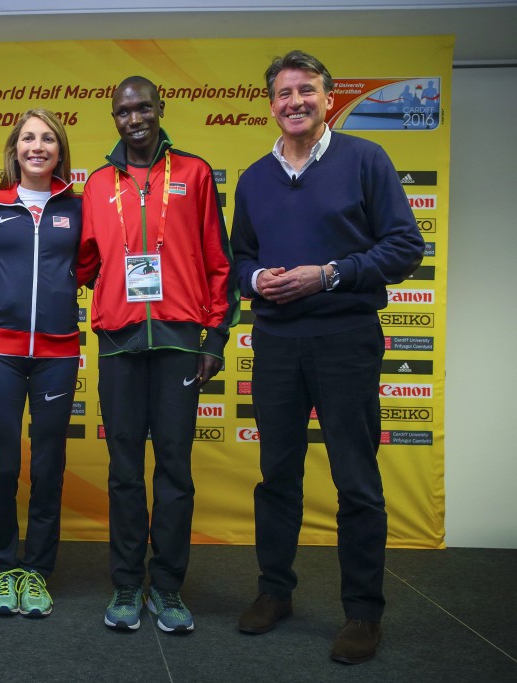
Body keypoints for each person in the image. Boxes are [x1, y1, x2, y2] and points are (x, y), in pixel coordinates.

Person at [230, 50, 424, 665]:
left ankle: (363, 614)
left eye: (306, 91)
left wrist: (330, 275)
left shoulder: (366, 159)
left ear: (327, 97)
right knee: (277, 476)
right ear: (271, 104)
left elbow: (405, 247)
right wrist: (256, 280)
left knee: (356, 482)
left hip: (345, 341)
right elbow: (238, 258)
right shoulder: (254, 177)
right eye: (284, 94)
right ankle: (274, 591)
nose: (295, 103)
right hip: (278, 345)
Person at [76, 77, 238, 633]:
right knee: (123, 472)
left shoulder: (193, 173)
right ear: (114, 118)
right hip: (120, 343)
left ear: (160, 109)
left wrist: (214, 338)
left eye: (143, 107)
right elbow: (83, 261)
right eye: (124, 110)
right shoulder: (98, 183)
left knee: (174, 470)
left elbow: (220, 263)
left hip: (178, 344)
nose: (134, 117)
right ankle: (126, 584)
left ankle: (166, 587)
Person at [0, 109, 81, 619]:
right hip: (0, 351)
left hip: (58, 353)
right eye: (27, 138)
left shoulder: (77, 207)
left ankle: (37, 570)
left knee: (47, 467)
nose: (36, 146)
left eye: (47, 139)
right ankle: (2, 568)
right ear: (14, 149)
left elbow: (88, 265)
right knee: (2, 465)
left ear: (60, 150)